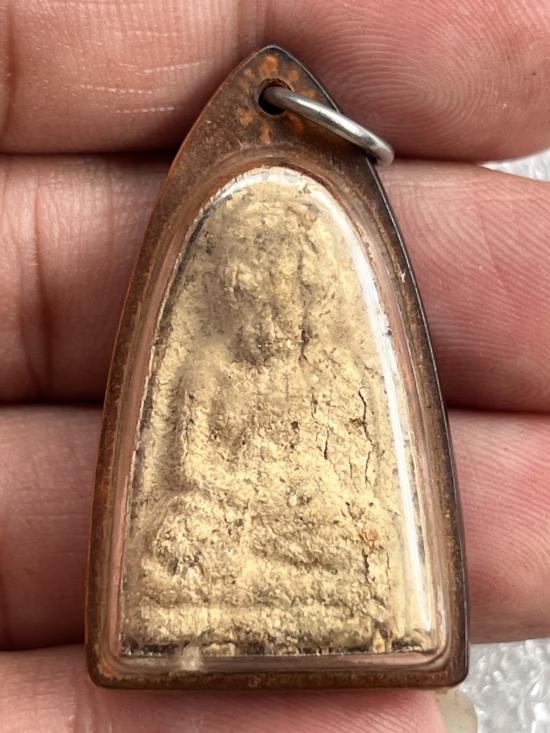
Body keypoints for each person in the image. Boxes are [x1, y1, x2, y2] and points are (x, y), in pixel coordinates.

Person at [1, 1, 549, 731]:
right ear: (227, 293)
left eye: (281, 294)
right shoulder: (203, 372)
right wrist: (224, 512)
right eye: (248, 294)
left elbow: (347, 494)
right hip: (226, 531)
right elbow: (187, 478)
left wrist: (299, 511)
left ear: (311, 294)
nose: (263, 313)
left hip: (311, 534)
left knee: (363, 550)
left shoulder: (342, 376)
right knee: (169, 544)